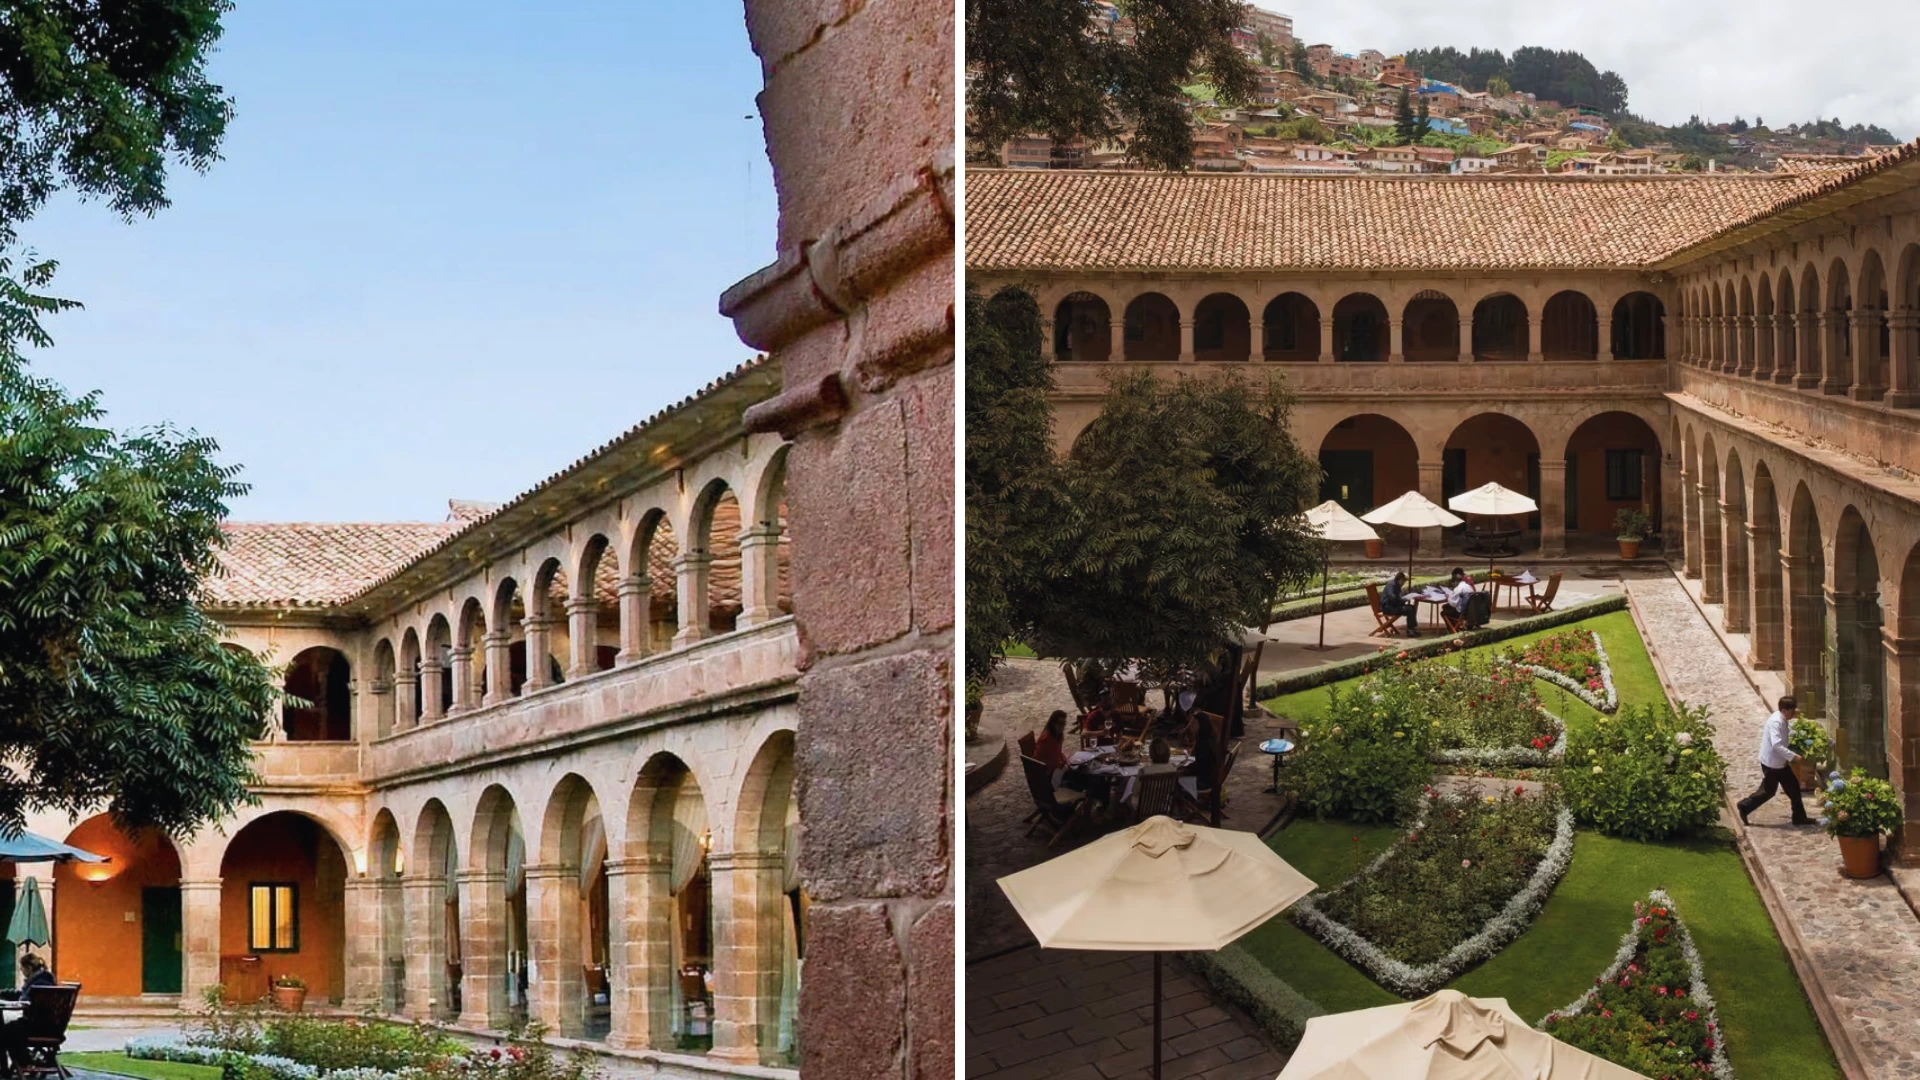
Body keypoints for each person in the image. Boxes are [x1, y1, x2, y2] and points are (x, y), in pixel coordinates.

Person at [1737, 696, 1814, 825]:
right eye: (1792, 711)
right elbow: (1776, 745)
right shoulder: (1776, 722)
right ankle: (1744, 806)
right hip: (1773, 764)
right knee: (1768, 792)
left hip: (1780, 763)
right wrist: (1793, 756)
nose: (1793, 714)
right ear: (1784, 710)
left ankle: (1799, 817)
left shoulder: (1782, 719)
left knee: (1793, 788)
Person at [1, 954, 54, 1073]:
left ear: (29, 968)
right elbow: (22, 994)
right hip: (47, 1025)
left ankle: (23, 1062)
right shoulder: (42, 980)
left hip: (39, 1027)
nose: (22, 971)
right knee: (8, 1029)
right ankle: (23, 1061)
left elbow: (25, 1000)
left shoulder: (40, 983)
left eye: (22, 968)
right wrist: (4, 993)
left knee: (6, 1031)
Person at [1381, 571, 1420, 637]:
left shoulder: (1396, 585)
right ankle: (1410, 631)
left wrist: (1403, 599)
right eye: (1403, 581)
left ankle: (1412, 629)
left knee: (1412, 607)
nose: (1403, 583)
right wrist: (1402, 601)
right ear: (1400, 579)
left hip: (1393, 606)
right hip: (1388, 607)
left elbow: (1397, 598)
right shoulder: (1392, 585)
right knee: (1409, 610)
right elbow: (1393, 599)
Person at [1033, 710, 1070, 775]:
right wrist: (1058, 764)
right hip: (1046, 771)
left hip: (1055, 768)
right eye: (1060, 723)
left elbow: (1057, 752)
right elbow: (1039, 759)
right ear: (1053, 723)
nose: (1063, 726)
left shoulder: (1059, 734)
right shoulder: (1046, 738)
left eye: (1064, 723)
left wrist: (1064, 759)